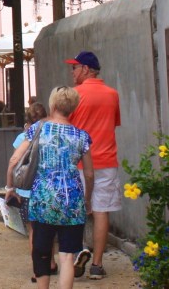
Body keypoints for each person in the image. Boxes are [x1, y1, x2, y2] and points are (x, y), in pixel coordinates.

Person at [5, 86, 93, 289]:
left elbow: (14, 160)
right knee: (67, 256)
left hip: (43, 199)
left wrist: (10, 186)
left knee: (42, 252)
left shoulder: (38, 129)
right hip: (72, 200)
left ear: (53, 105)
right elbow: (89, 174)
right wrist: (87, 199)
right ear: (74, 108)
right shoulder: (82, 136)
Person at [65, 50, 121, 281]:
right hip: (106, 159)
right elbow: (113, 124)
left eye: (75, 68)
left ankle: (76, 253)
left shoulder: (74, 95)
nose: (72, 72)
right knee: (101, 211)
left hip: (78, 161)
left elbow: (67, 126)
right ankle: (97, 265)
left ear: (86, 69)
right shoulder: (112, 94)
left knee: (75, 210)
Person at [7, 102, 56, 281]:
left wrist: (10, 187)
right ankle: (51, 262)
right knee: (49, 228)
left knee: (33, 232)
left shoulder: (24, 136)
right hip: (46, 188)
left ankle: (37, 269)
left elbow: (15, 162)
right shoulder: (52, 132)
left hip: (25, 191)